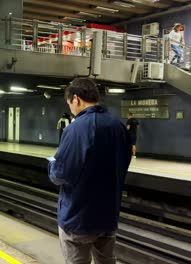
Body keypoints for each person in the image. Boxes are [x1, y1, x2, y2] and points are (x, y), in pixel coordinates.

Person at [47, 78, 132, 264]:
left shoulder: (76, 128)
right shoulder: (118, 126)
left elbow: (60, 174)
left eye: (70, 103)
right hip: (108, 215)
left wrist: (52, 165)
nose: (71, 108)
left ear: (76, 99)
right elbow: (123, 164)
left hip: (78, 218)